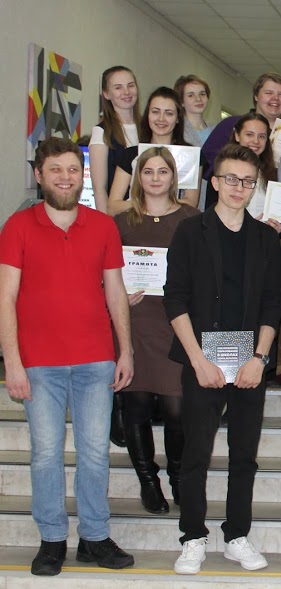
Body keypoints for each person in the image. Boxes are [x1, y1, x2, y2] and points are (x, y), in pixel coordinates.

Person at [0, 137, 135, 576]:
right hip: (39, 364)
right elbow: (5, 298)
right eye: (55, 169)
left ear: (82, 176)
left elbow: (115, 292)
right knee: (45, 455)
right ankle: (52, 539)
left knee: (95, 454)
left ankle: (94, 537)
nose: (65, 177)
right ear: (39, 175)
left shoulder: (103, 226)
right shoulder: (18, 226)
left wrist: (126, 350)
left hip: (96, 360)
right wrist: (12, 363)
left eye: (72, 169)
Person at [164, 144, 281, 575]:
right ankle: (193, 536)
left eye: (247, 181)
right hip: (203, 360)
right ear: (214, 182)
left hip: (249, 362)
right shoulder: (189, 231)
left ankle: (236, 536)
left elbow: (272, 304)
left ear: (255, 187)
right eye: (230, 178)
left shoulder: (266, 238)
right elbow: (175, 299)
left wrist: (260, 359)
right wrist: (197, 360)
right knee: (195, 453)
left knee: (244, 456)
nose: (238, 187)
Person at [114, 147, 200, 515]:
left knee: (176, 408)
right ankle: (148, 481)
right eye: (148, 171)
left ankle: (178, 476)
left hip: (176, 323)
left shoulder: (192, 219)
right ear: (138, 178)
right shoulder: (121, 221)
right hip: (134, 321)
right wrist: (117, 294)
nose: (155, 178)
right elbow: (105, 271)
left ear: (173, 177)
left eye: (162, 171)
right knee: (135, 406)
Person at [108, 86, 200, 215]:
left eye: (169, 113)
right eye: (155, 112)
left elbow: (191, 203)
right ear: (147, 115)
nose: (161, 119)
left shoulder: (190, 155)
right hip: (136, 222)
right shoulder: (130, 155)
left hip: (176, 224)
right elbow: (112, 207)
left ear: (178, 118)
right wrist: (148, 203)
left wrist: (157, 204)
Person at [201, 73, 281, 181]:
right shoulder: (231, 124)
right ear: (256, 96)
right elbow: (206, 163)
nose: (275, 98)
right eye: (269, 93)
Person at [89, 66, 141, 213]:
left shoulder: (149, 127)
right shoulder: (101, 132)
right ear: (106, 94)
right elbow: (100, 189)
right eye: (118, 87)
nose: (126, 92)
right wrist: (106, 223)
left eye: (130, 85)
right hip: (119, 217)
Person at [205, 113, 278, 214]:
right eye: (249, 135)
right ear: (237, 136)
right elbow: (211, 210)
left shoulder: (275, 175)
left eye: (261, 136)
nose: (256, 141)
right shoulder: (221, 170)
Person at [174, 74, 216, 147]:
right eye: (191, 95)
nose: (198, 99)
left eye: (202, 94)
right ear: (181, 101)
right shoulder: (177, 131)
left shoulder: (217, 130)